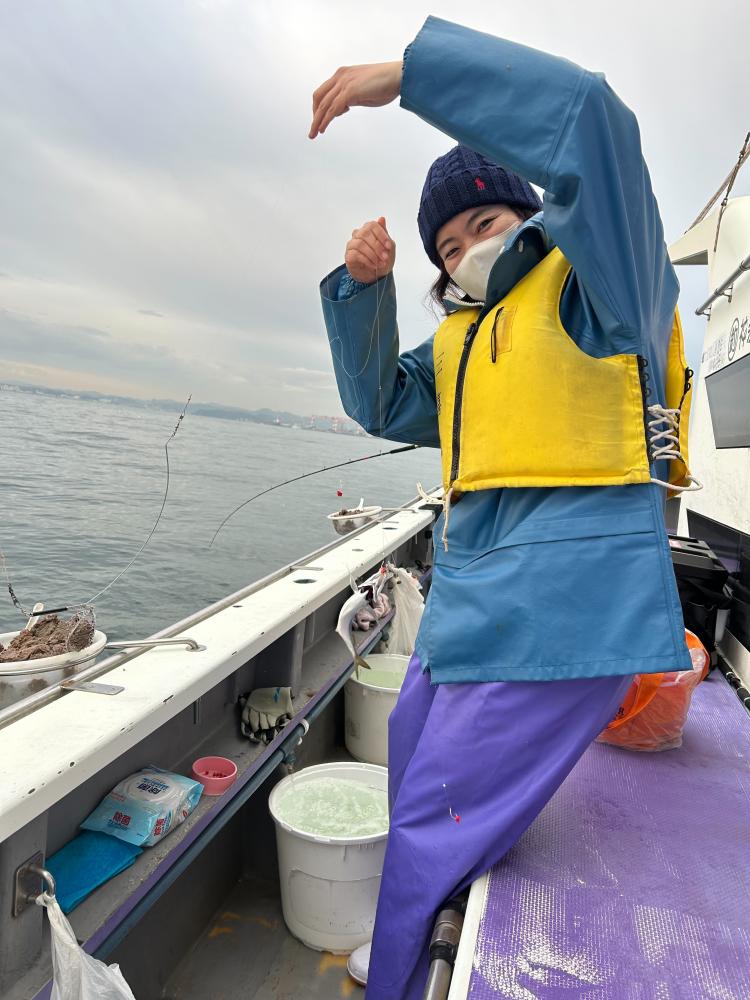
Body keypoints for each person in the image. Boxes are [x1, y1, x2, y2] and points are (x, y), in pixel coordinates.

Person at [310, 16, 694, 1000]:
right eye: (447, 245)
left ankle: (400, 969)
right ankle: (421, 907)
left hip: (560, 603)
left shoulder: (601, 286)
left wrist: (412, 75)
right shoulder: (462, 339)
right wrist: (364, 290)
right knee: (409, 753)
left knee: (433, 812)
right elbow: (378, 402)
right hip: (472, 601)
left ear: (532, 209)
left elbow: (591, 119)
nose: (465, 250)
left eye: (483, 222)